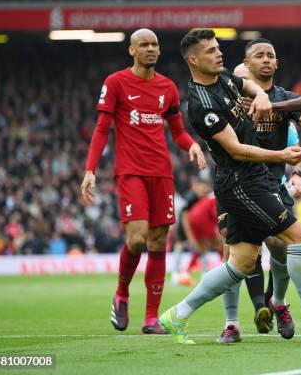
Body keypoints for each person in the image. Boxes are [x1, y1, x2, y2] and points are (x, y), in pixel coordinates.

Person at [159, 28, 301, 345]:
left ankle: (177, 315)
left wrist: (261, 94)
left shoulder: (223, 79)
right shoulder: (201, 103)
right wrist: (281, 154)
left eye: (218, 47)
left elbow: (245, 83)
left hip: (253, 180)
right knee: (299, 235)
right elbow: (236, 150)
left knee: (241, 261)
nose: (218, 53)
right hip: (242, 180)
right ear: (194, 60)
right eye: (210, 50)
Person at [80, 28, 206, 334]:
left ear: (159, 51)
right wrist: (90, 169)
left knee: (159, 241)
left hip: (161, 174)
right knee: (137, 239)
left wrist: (190, 144)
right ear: (132, 50)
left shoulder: (168, 88)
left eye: (154, 45)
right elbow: (101, 128)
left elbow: (176, 131)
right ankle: (122, 294)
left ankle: (151, 318)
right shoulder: (116, 83)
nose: (150, 49)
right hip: (131, 171)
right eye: (143, 44)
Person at [216, 39, 301, 343]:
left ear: (276, 64)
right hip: (235, 185)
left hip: (271, 188)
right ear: (246, 64)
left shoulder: (285, 99)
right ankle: (231, 323)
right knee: (233, 252)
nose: (266, 60)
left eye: (271, 56)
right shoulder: (229, 99)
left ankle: (277, 301)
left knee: (283, 246)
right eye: (259, 56)